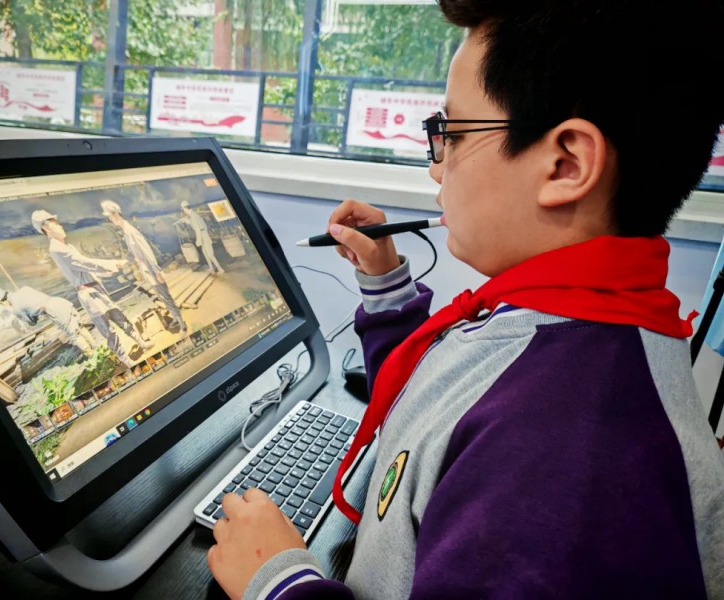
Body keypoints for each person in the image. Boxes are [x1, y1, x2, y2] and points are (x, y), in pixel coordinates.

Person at [206, 2, 724, 599]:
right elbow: (443, 404)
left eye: (451, 134)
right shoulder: (575, 322)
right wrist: (385, 284)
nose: (437, 169)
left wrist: (279, 580)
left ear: (566, 165)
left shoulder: (559, 461)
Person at [31, 209, 153, 368]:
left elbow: (86, 266)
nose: (60, 226)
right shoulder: (57, 249)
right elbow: (84, 263)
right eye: (56, 224)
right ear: (46, 228)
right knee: (107, 330)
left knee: (119, 317)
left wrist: (107, 271)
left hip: (95, 288)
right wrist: (113, 264)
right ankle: (126, 360)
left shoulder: (66, 246)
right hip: (89, 294)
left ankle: (141, 343)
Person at [101, 200, 188, 334]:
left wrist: (157, 271)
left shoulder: (131, 231)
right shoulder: (126, 231)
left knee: (166, 296)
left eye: (110, 216)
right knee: (162, 297)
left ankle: (182, 324)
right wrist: (123, 262)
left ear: (116, 214)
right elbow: (132, 253)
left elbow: (147, 252)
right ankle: (176, 318)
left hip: (152, 271)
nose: (110, 220)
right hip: (147, 271)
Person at [0, 286, 97, 355]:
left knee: (74, 335)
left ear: (1, 302)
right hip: (59, 302)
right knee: (79, 327)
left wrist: (18, 313)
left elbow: (32, 323)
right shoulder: (24, 289)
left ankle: (91, 355)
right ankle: (95, 347)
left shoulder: (16, 309)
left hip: (53, 310)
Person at [181, 200, 225, 274]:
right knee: (205, 253)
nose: (183, 211)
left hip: (203, 235)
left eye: (183, 209)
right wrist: (187, 220)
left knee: (210, 254)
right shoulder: (193, 214)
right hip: (202, 234)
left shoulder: (193, 215)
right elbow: (194, 224)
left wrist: (198, 240)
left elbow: (198, 229)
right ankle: (211, 268)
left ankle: (220, 269)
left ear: (185, 208)